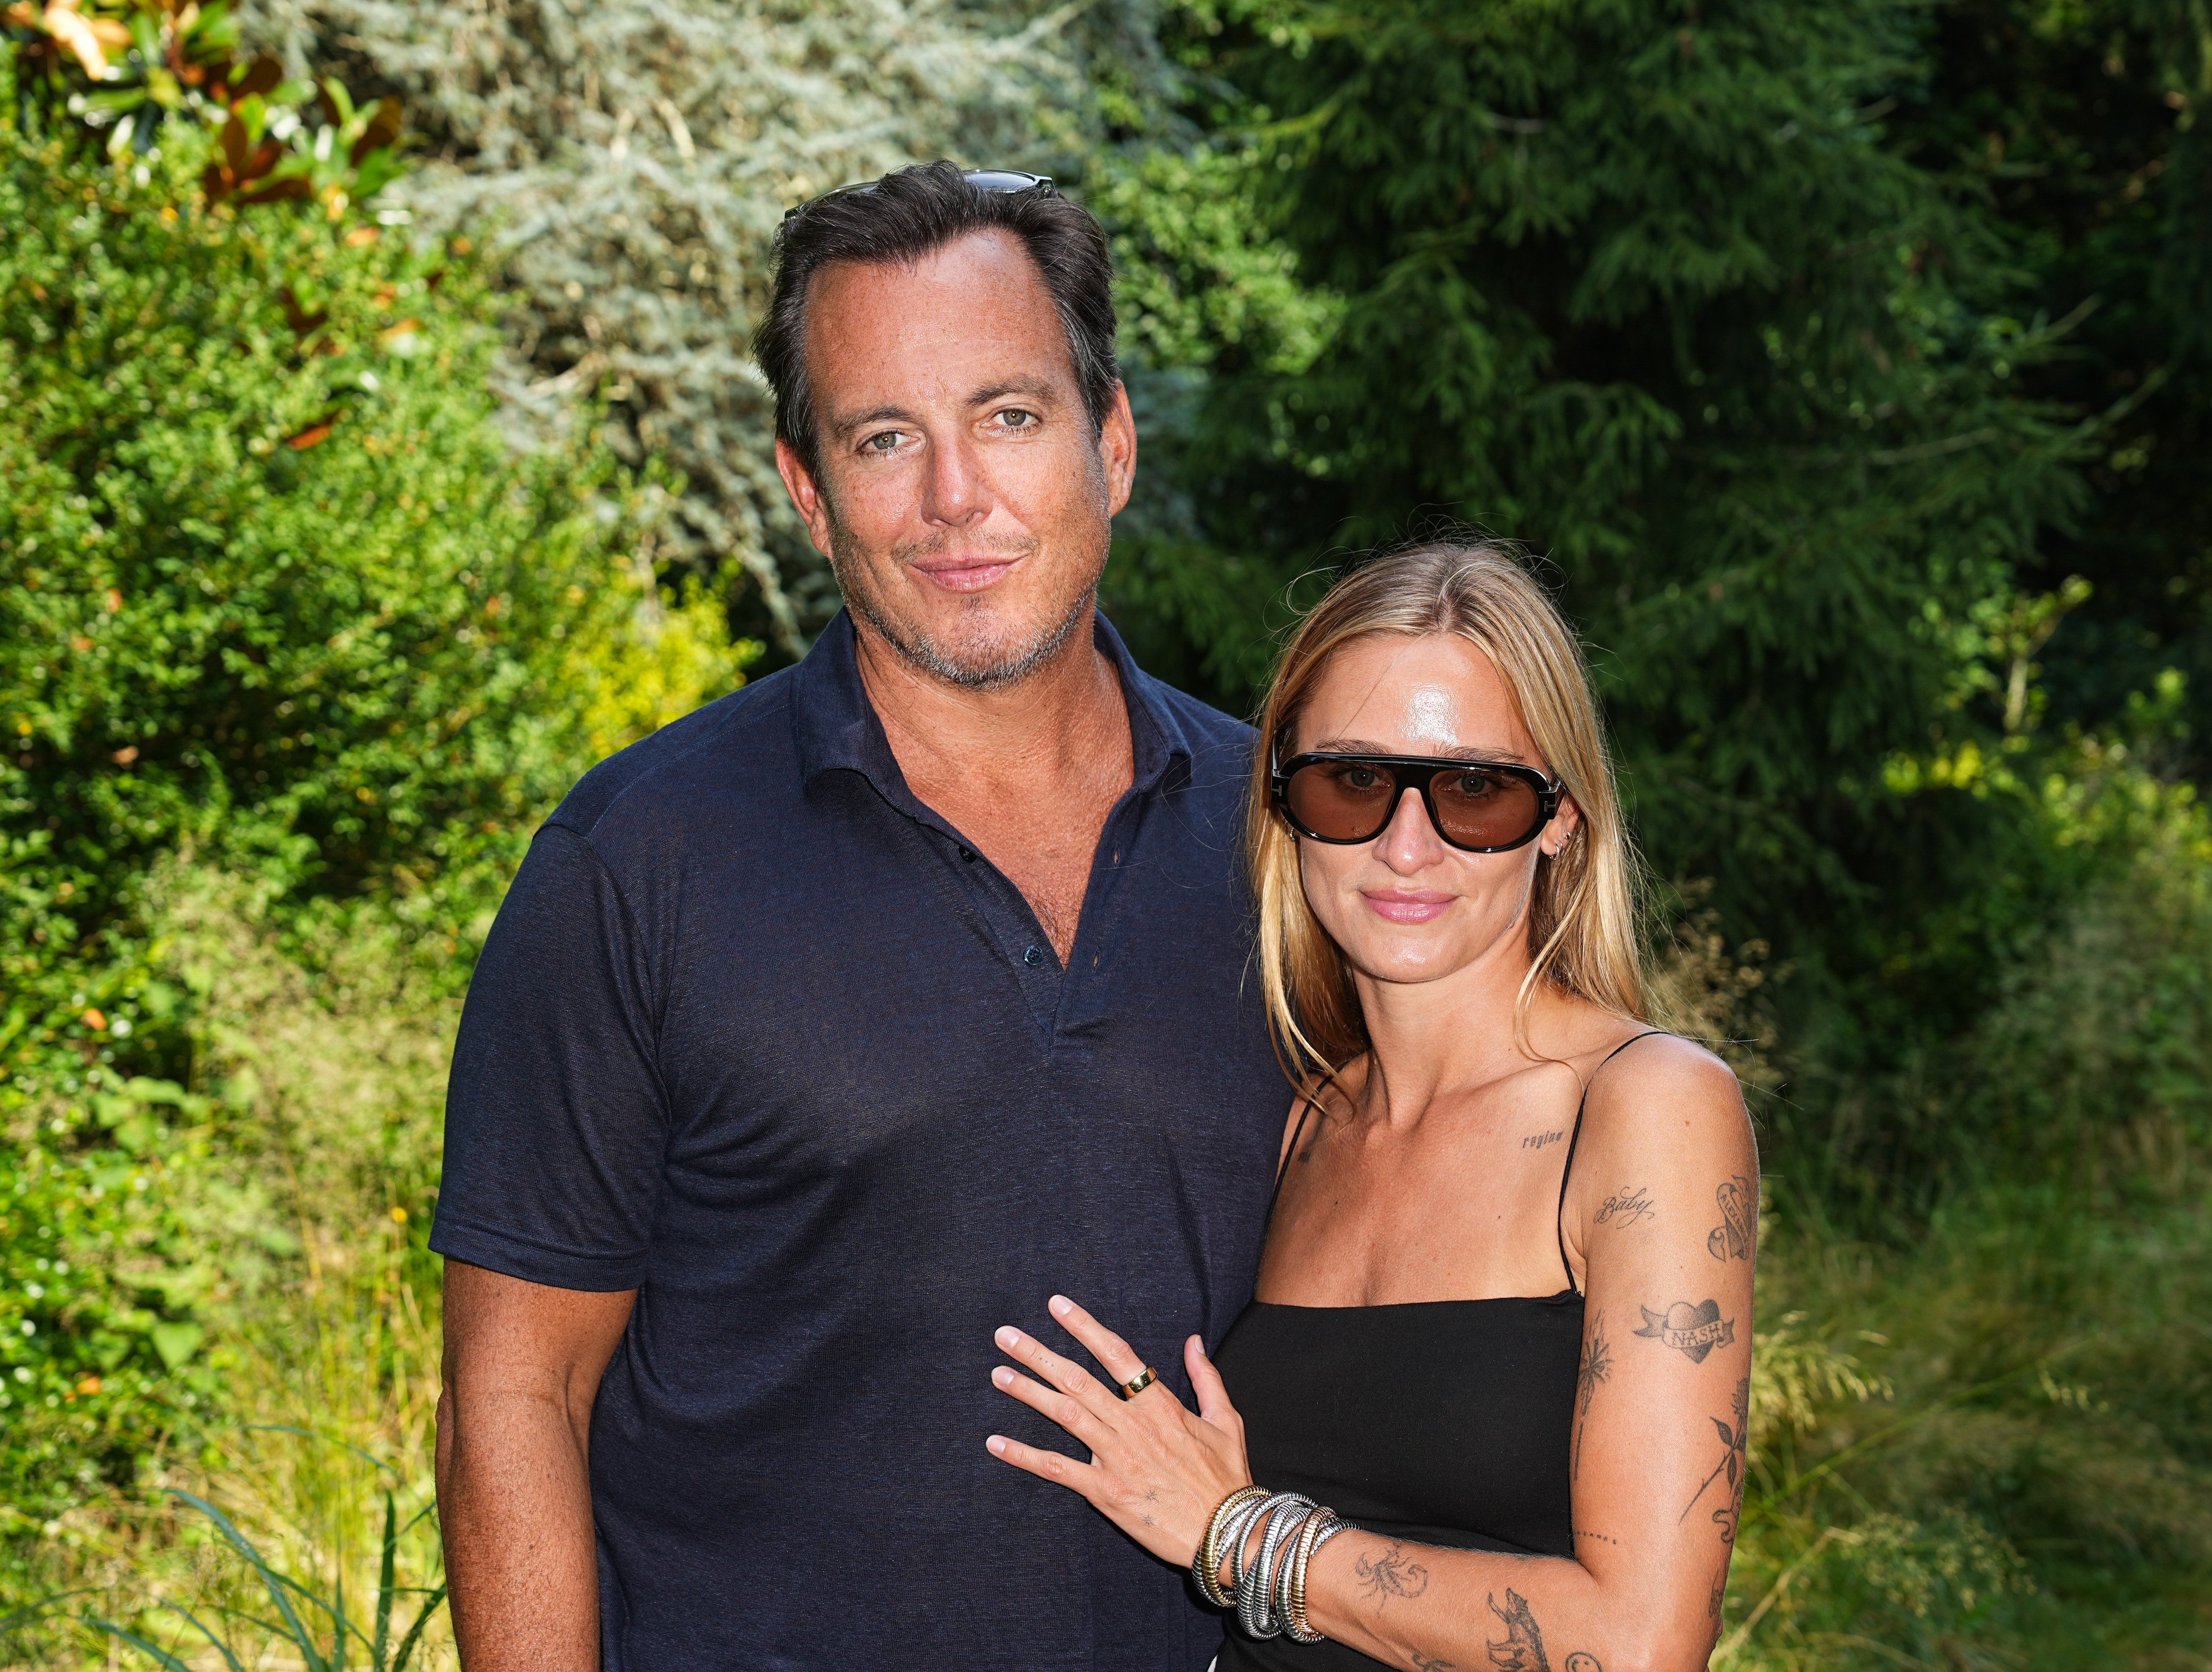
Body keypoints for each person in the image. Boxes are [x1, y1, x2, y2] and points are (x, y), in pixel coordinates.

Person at [430, 162, 1286, 1671]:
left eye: (1010, 417)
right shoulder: (638, 865)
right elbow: (518, 1398)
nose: (955, 496)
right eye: (886, 437)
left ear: (1116, 440)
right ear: (807, 489)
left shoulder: (1301, 844)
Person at [986, 543, 1758, 1671]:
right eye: (1350, 782)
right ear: (1285, 808)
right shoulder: (1304, 1123)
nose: (1406, 846)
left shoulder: (1646, 1109)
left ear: (1561, 821)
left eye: (1474, 791)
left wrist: (1234, 1533)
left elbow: (1642, 1643)